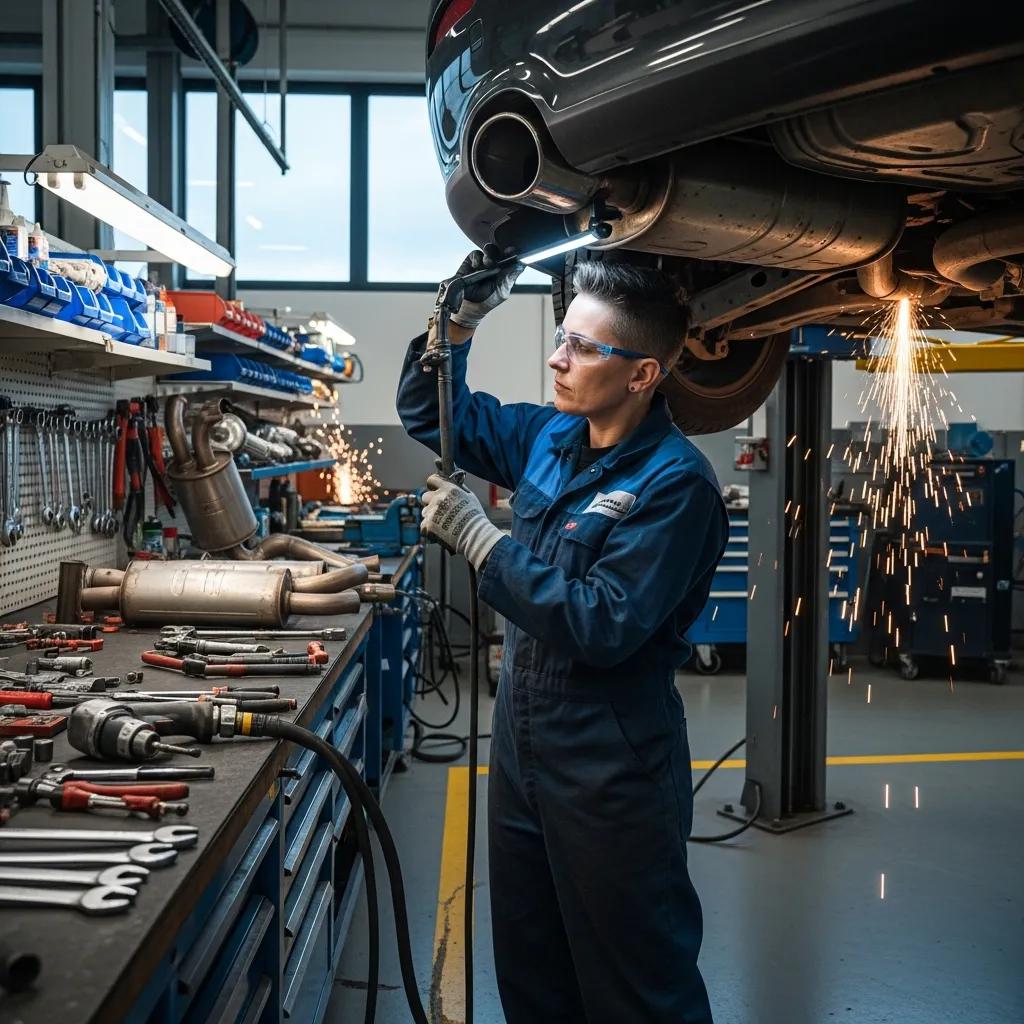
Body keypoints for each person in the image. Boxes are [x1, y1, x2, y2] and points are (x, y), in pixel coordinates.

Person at [396, 247, 728, 1024]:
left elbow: (604, 622)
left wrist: (486, 544)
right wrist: (454, 327)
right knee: (531, 966)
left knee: (635, 984)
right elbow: (431, 414)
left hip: (611, 763)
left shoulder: (677, 486)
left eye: (583, 346)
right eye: (562, 336)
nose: (558, 357)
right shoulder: (548, 437)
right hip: (523, 747)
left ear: (642, 374)